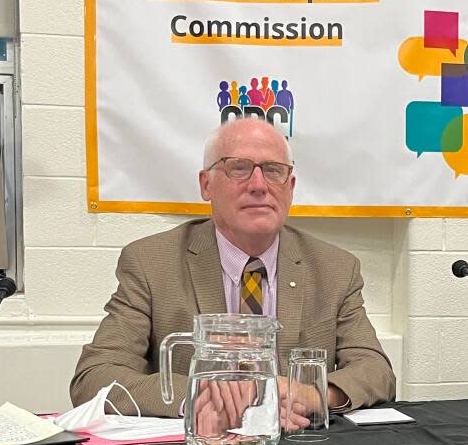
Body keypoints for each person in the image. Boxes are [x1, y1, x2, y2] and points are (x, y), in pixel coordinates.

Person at [70, 117, 397, 421]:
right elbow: (94, 378)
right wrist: (203, 396)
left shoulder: (335, 269)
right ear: (206, 185)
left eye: (273, 170)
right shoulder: (151, 263)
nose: (259, 185)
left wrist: (308, 394)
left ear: (290, 187)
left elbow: (376, 371)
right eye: (238, 168)